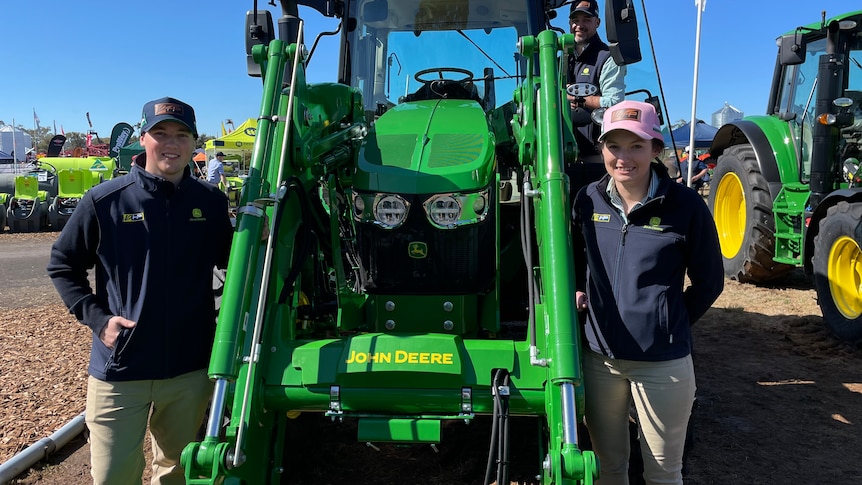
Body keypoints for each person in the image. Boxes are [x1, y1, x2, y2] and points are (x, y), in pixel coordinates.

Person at [47, 96, 233, 484]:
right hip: (121, 369)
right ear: (143, 139)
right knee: (113, 476)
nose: (171, 143)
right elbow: (63, 265)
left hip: (189, 370)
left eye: (182, 135)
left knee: (177, 473)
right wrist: (99, 321)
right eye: (160, 133)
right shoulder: (105, 200)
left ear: (194, 144)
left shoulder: (211, 204)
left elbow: (233, 264)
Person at [571, 100, 724, 485]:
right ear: (602, 148)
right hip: (600, 361)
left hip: (663, 367)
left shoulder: (685, 206)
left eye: (636, 146)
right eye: (614, 146)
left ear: (656, 149)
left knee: (663, 474)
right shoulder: (587, 200)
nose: (623, 158)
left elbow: (710, 281)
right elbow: (574, 258)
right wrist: (576, 288)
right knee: (609, 469)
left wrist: (668, 323)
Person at [565, 0, 627, 195]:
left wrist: (579, 99)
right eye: (575, 20)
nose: (579, 25)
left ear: (598, 22)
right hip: (564, 157)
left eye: (586, 19)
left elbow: (614, 102)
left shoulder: (608, 58)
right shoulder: (562, 58)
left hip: (597, 160)